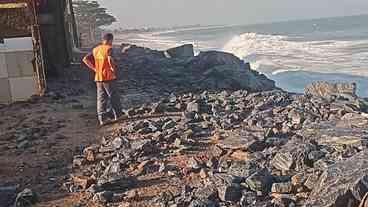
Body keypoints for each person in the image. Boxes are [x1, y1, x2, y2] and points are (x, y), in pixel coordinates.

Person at [82, 33, 123, 126]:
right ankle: (119, 115)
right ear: (110, 40)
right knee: (113, 97)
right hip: (108, 77)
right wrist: (113, 68)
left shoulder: (96, 49)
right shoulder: (109, 48)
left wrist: (95, 69)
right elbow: (109, 59)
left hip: (98, 77)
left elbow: (85, 59)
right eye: (112, 41)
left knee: (101, 99)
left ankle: (102, 119)